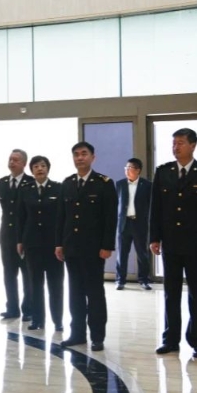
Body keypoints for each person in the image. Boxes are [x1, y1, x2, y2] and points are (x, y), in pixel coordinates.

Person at [150, 128, 197, 359]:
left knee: (196, 294)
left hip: (196, 245)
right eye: (174, 143)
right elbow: (155, 209)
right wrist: (154, 238)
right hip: (170, 243)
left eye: (180, 143)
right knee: (171, 293)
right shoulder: (163, 172)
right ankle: (170, 340)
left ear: (193, 145)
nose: (175, 147)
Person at [55, 141, 117, 351]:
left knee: (95, 292)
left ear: (93, 157)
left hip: (94, 248)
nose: (80, 158)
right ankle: (78, 333)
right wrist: (59, 243)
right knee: (75, 293)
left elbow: (110, 218)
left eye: (84, 154)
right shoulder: (67, 183)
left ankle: (97, 336)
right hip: (71, 247)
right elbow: (61, 217)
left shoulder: (104, 183)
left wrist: (107, 245)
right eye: (76, 154)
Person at [15, 155, 64, 331]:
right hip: (32, 243)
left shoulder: (58, 188)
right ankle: (37, 320)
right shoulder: (25, 190)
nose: (40, 169)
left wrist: (61, 242)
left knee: (55, 284)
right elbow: (20, 217)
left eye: (43, 165)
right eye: (36, 166)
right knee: (35, 283)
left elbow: (63, 217)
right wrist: (19, 240)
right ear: (31, 170)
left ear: (48, 168)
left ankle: (58, 321)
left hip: (53, 244)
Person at [0, 149, 32, 320]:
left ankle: (28, 309)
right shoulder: (1, 182)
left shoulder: (31, 182)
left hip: (25, 234)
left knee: (27, 274)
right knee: (9, 273)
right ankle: (12, 308)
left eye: (16, 160)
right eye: (10, 159)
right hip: (7, 234)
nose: (12, 162)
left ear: (24, 163)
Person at [115, 158, 153, 291]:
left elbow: (151, 205)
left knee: (142, 254)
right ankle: (120, 280)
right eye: (125, 168)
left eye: (129, 168)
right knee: (122, 254)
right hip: (124, 223)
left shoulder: (147, 185)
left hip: (139, 224)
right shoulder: (120, 184)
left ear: (138, 170)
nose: (126, 170)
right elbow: (116, 204)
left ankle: (144, 280)